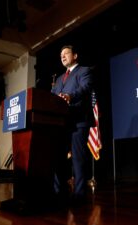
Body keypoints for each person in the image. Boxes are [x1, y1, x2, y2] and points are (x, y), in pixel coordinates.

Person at [51, 45, 95, 205]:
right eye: (61, 54)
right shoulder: (60, 78)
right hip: (61, 123)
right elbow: (52, 97)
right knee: (58, 158)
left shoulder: (84, 71)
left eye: (66, 53)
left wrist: (70, 96)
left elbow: (85, 88)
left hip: (78, 120)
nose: (62, 56)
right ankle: (59, 192)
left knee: (78, 158)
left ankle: (79, 194)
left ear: (75, 55)